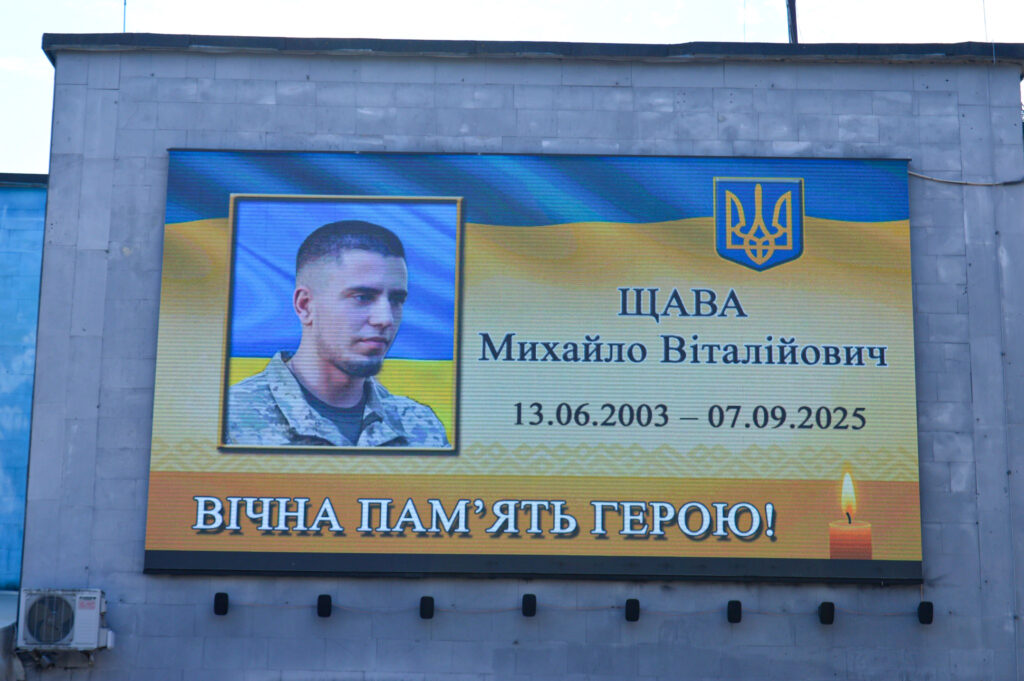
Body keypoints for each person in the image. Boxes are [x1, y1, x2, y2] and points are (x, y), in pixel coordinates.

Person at [226, 220, 449, 448]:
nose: (385, 319)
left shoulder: (420, 427)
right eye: (362, 297)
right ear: (305, 306)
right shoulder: (229, 419)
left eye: (396, 300)